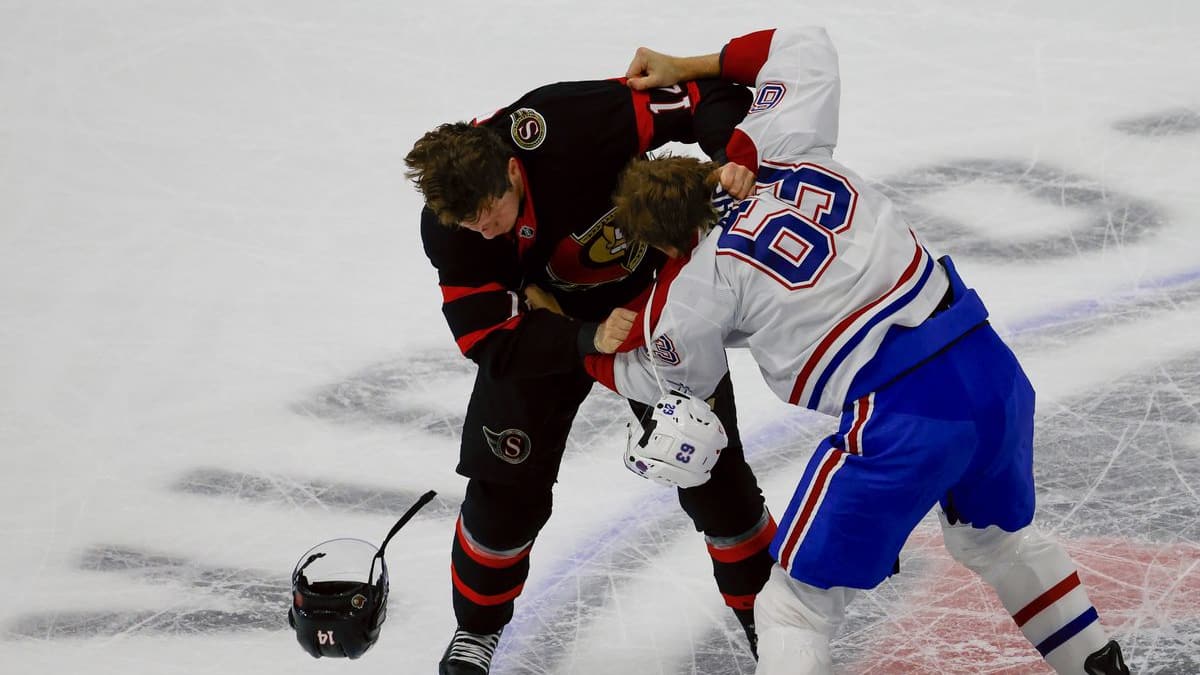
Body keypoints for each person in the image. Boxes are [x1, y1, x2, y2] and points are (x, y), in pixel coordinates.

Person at [585, 27, 1131, 675]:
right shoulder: (784, 146)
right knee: (997, 542)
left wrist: (598, 347)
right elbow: (803, 42)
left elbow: (680, 393)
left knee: (794, 605)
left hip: (902, 417)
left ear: (667, 244)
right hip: (990, 368)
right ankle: (1101, 666)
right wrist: (688, 65)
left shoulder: (696, 281)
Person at [403, 72, 777, 674]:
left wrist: (728, 153)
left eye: (487, 213)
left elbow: (699, 95)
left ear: (510, 170)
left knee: (711, 470)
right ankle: (475, 633)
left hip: (654, 310)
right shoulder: (451, 225)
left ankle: (775, 628)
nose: (483, 230)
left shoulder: (564, 123)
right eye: (469, 224)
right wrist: (582, 337)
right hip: (545, 339)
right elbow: (486, 337)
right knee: (504, 490)